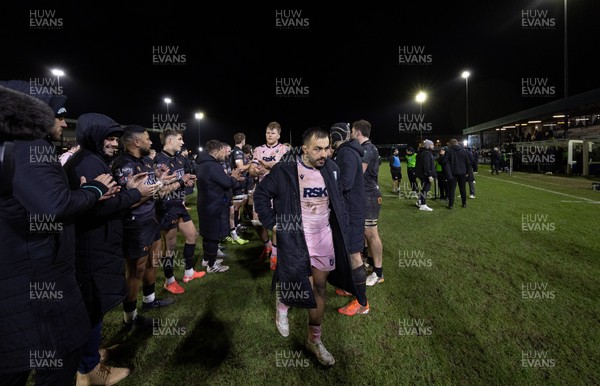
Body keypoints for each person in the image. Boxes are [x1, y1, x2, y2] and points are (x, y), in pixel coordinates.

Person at [0, 84, 117, 385]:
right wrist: (94, 189)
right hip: (37, 279)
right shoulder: (28, 145)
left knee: (16, 365)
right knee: (60, 357)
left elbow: (35, 201)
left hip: (20, 274)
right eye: (57, 115)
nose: (64, 124)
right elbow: (53, 206)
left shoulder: (11, 144)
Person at [64, 114, 161, 385]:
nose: (113, 142)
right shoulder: (87, 162)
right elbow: (94, 207)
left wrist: (126, 189)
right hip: (91, 246)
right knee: (93, 306)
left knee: (94, 305)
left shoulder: (91, 159)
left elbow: (102, 200)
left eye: (114, 137)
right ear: (92, 136)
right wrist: (135, 193)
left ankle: (91, 355)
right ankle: (90, 370)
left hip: (97, 243)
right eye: (107, 137)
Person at [254, 127, 357, 366]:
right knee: (297, 282)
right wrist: (274, 224)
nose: (324, 153)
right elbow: (261, 194)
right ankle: (282, 305)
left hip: (323, 237)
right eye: (318, 149)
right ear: (304, 149)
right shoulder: (285, 170)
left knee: (319, 288)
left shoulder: (331, 168)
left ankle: (315, 339)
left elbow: (338, 199)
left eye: (327, 148)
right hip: (295, 237)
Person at [329, 123, 369, 316]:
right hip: (348, 210)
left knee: (354, 255)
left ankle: (362, 302)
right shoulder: (345, 151)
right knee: (346, 252)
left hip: (351, 212)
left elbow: (345, 183)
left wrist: (325, 186)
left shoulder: (345, 152)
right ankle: (349, 287)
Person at [154, 129, 200, 294]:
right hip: (166, 206)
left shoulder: (179, 159)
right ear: (170, 141)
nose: (182, 142)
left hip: (178, 204)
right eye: (180, 139)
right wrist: (181, 180)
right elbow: (160, 190)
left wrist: (185, 182)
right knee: (170, 246)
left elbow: (182, 178)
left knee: (192, 235)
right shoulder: (159, 160)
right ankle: (169, 280)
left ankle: (188, 272)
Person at [196, 140, 244, 272]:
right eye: (223, 151)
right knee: (212, 236)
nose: (225, 154)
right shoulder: (212, 165)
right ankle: (212, 265)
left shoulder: (202, 164)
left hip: (205, 204)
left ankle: (207, 260)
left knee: (207, 235)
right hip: (213, 205)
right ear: (216, 151)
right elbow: (227, 183)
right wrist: (233, 177)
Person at [248, 121, 289, 270]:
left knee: (277, 225)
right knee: (257, 223)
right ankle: (267, 246)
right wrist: (256, 171)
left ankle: (275, 255)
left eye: (272, 133)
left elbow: (287, 170)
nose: (269, 135)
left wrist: (269, 167)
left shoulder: (284, 149)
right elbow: (251, 170)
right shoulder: (258, 150)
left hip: (278, 191)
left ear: (278, 135)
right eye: (267, 132)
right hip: (262, 190)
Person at [350, 119, 384, 287]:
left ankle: (378, 273)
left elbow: (358, 173)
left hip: (369, 196)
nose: (350, 134)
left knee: (371, 233)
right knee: (365, 232)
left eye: (352, 131)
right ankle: (370, 262)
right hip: (367, 195)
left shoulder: (367, 149)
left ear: (358, 133)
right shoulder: (369, 148)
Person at [228, 133, 251, 242]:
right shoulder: (237, 151)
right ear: (243, 140)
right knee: (235, 208)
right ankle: (234, 230)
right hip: (237, 183)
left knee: (237, 207)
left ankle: (236, 226)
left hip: (237, 182)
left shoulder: (235, 150)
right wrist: (251, 164)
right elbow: (240, 168)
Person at [441, 138, 473, 209]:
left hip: (453, 173)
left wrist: (442, 155)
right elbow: (468, 163)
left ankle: (451, 205)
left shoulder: (449, 151)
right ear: (457, 143)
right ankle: (464, 203)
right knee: (463, 188)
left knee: (452, 189)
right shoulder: (463, 151)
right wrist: (468, 172)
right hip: (462, 172)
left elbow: (443, 161)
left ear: (450, 144)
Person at [415, 139, 436, 212]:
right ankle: (423, 204)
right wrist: (429, 175)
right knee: (425, 189)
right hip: (425, 175)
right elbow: (426, 166)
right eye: (432, 145)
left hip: (422, 174)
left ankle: (419, 202)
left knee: (424, 188)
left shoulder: (423, 152)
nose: (433, 146)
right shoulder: (426, 153)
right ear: (429, 145)